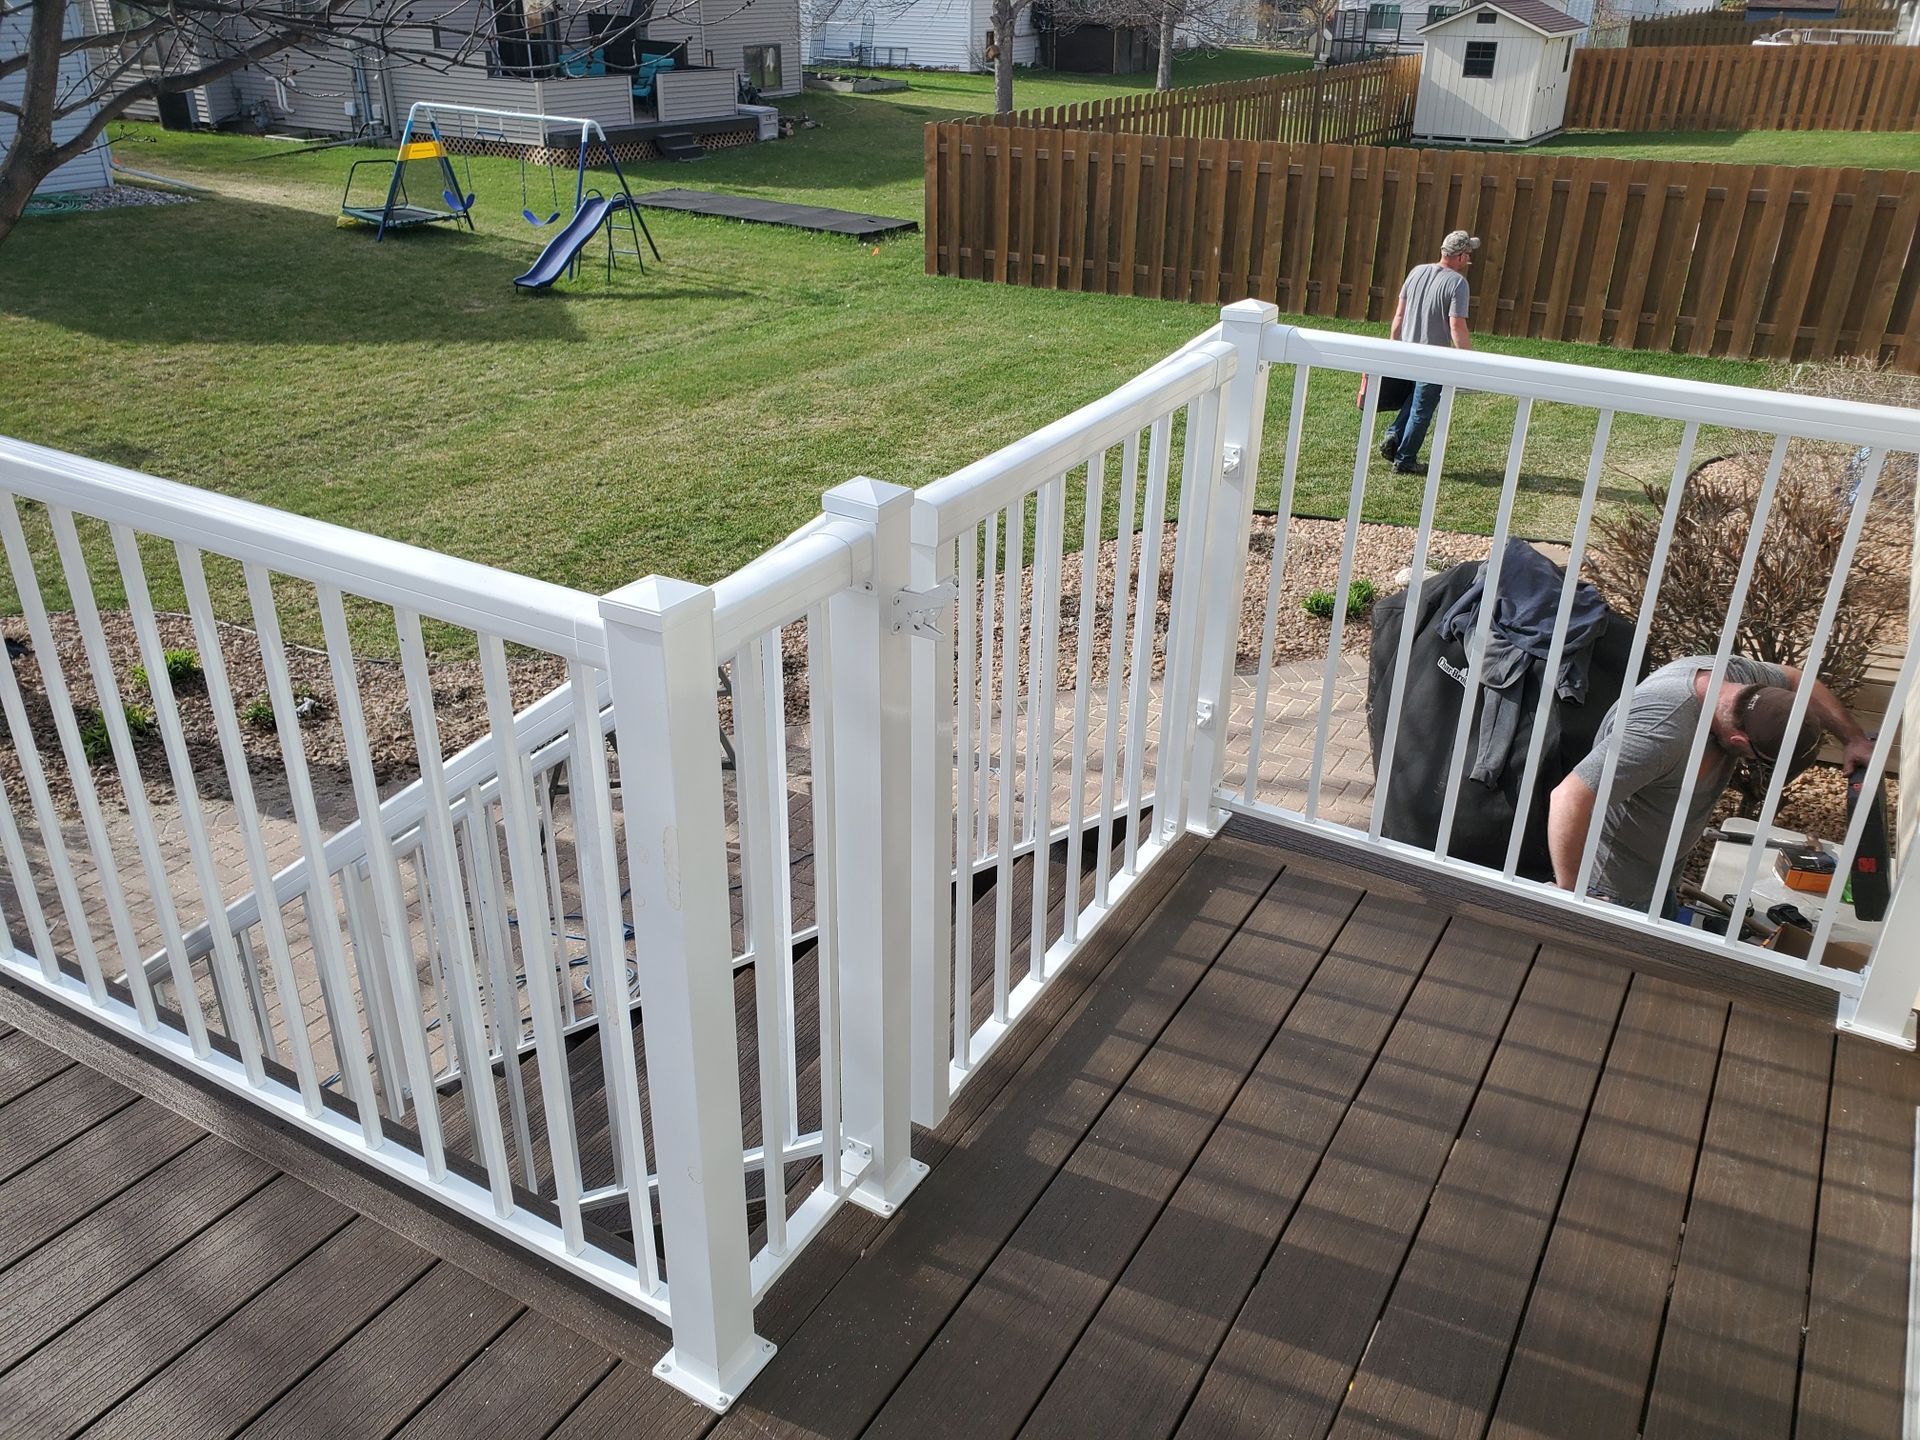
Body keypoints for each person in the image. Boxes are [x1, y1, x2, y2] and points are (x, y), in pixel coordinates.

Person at [1547, 655, 1874, 916]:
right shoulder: (1661, 732)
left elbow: (1796, 679)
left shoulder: (1739, 681)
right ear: (1738, 739)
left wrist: (1853, 738)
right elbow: (1569, 797)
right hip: (1614, 888)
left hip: (1661, 873)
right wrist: (1572, 894)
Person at [1364, 230, 1478, 475]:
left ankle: (1394, 435)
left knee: (1413, 399)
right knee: (1422, 409)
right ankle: (1405, 460)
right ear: (1459, 256)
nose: (1469, 260)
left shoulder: (1416, 272)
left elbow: (1399, 316)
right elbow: (1456, 325)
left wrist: (1393, 347)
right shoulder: (1458, 283)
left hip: (1407, 351)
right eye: (1468, 255)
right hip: (1433, 358)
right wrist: (1471, 360)